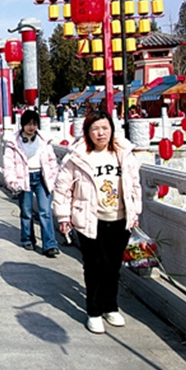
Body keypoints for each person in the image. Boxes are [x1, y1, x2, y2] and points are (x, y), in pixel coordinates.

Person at [52, 110, 142, 334]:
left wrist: (135, 211)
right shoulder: (77, 156)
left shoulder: (123, 153)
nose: (101, 133)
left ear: (112, 129)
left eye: (105, 128)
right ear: (87, 132)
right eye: (95, 129)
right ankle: (93, 311)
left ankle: (110, 306)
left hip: (120, 219)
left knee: (113, 267)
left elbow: (135, 185)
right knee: (94, 266)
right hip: (90, 219)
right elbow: (62, 189)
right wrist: (63, 217)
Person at [3, 110, 60, 257]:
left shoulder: (44, 140)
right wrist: (12, 181)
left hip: (42, 177)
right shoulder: (13, 142)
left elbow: (52, 160)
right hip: (24, 178)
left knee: (45, 212)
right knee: (26, 211)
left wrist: (53, 177)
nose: (31, 127)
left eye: (34, 124)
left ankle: (50, 244)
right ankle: (27, 239)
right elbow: (9, 164)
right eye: (28, 124)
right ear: (22, 125)